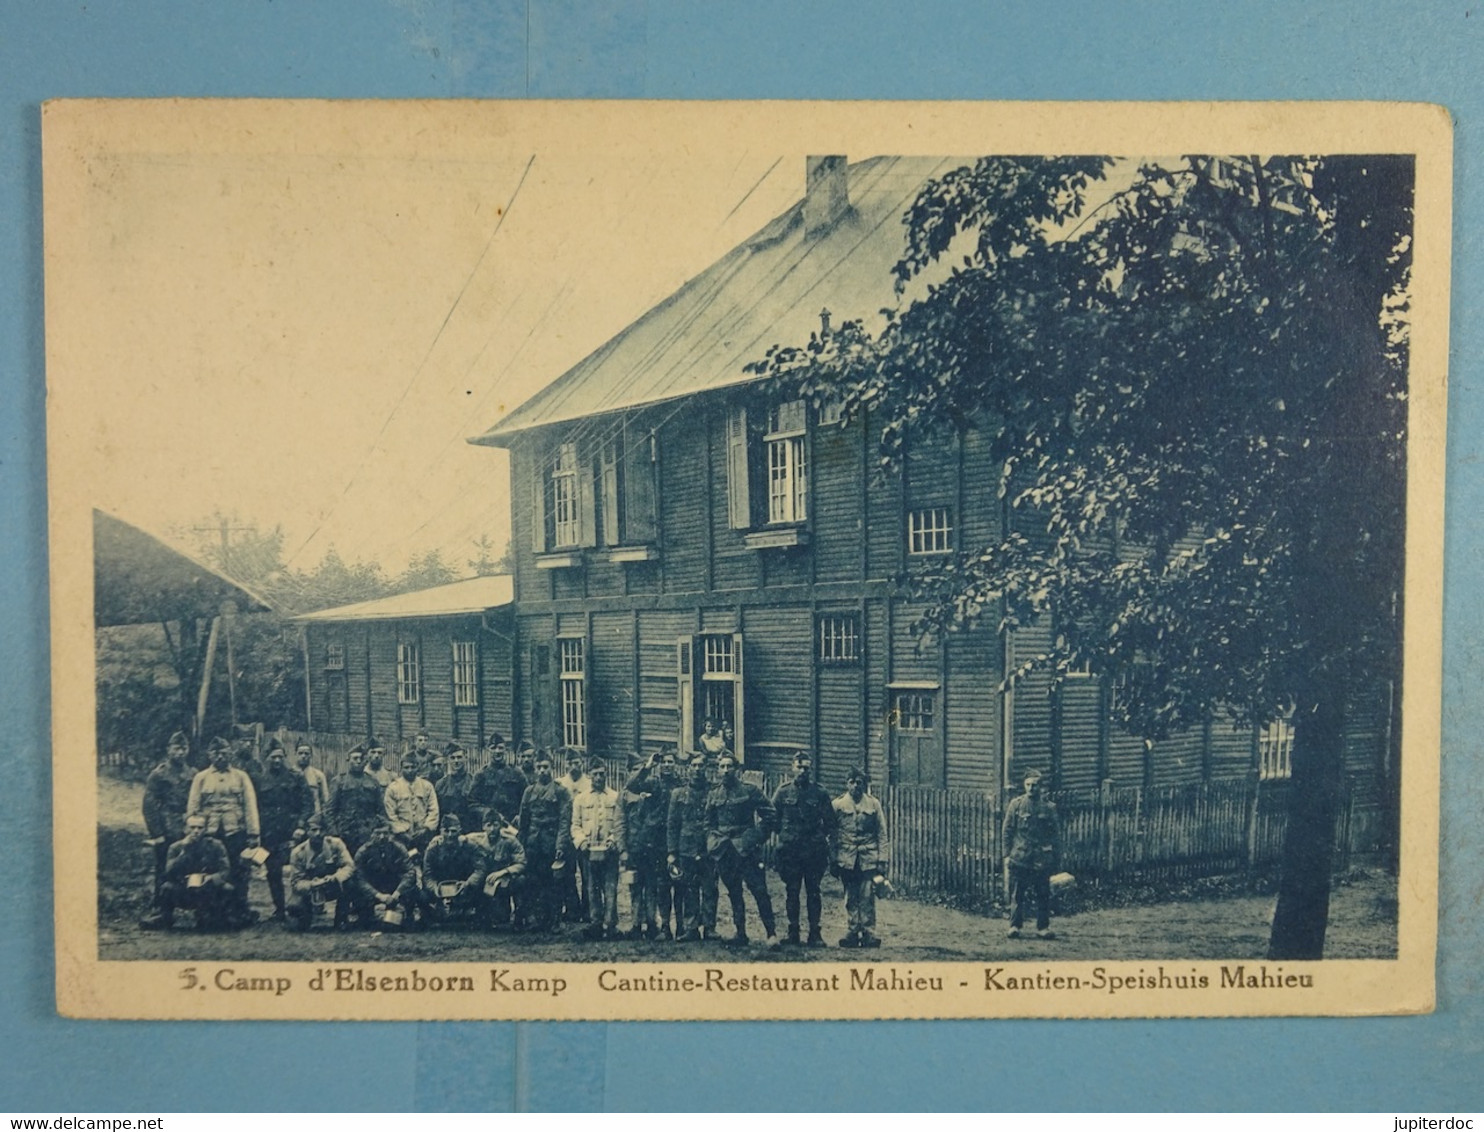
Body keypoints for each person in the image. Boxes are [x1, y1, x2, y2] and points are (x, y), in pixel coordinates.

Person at [704, 752, 779, 948]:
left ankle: (771, 934)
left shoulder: (750, 791)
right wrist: (714, 841)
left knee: (759, 891)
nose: (726, 770)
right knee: (734, 892)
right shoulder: (714, 794)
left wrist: (753, 838)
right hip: (725, 852)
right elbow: (708, 823)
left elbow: (770, 816)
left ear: (737, 769)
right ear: (718, 769)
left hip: (747, 851)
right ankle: (741, 933)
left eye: (729, 766)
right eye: (722, 767)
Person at [186, 736, 261, 926]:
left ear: (230, 754)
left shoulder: (241, 776)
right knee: (207, 871)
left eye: (224, 753)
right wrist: (193, 831)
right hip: (209, 832)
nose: (220, 757)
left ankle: (238, 911)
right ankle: (207, 911)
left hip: (235, 832)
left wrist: (253, 834)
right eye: (216, 753)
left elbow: (250, 806)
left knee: (239, 871)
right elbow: (193, 806)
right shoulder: (201, 778)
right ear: (209, 755)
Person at [772, 751, 835, 946]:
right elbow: (773, 819)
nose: (802, 771)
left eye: (806, 767)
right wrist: (786, 835)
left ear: (811, 770)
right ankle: (793, 932)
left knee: (814, 891)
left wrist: (815, 836)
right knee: (792, 891)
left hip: (813, 851)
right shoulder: (782, 792)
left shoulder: (820, 793)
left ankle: (815, 933)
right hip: (790, 852)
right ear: (792, 767)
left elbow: (830, 822)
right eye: (799, 767)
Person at [139, 815, 234, 930]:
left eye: (200, 828)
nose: (196, 831)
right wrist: (184, 851)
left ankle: (215, 917)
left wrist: (211, 878)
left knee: (227, 889)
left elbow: (225, 870)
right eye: (192, 827)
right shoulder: (176, 847)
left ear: (205, 829)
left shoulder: (216, 845)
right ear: (185, 829)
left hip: (208, 889)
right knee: (166, 887)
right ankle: (165, 917)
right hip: (184, 889)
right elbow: (169, 872)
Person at [254, 739, 314, 921]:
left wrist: (301, 826)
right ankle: (279, 909)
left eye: (280, 757)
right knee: (273, 872)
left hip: (292, 832)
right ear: (266, 758)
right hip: (269, 834)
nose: (277, 761)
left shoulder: (295, 777)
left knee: (301, 871)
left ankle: (303, 907)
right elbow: (255, 807)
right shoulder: (260, 780)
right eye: (273, 757)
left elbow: (307, 804)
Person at [832, 767, 890, 948]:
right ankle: (851, 931)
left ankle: (868, 933)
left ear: (864, 785)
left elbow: (882, 833)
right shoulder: (838, 805)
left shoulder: (873, 804)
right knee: (850, 896)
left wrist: (882, 859)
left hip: (868, 857)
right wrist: (833, 859)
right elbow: (832, 835)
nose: (856, 786)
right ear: (846, 783)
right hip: (847, 857)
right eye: (852, 782)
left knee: (867, 896)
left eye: (859, 783)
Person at [622, 750, 677, 940]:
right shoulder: (653, 783)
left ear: (675, 765)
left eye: (671, 762)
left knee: (677, 886)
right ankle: (664, 927)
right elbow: (631, 785)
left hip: (673, 842)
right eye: (664, 762)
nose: (667, 765)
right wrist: (648, 766)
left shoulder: (681, 785)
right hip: (653, 843)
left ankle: (683, 927)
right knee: (658, 886)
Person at [1002, 771, 1061, 940]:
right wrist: (1007, 854)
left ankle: (1042, 927)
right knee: (1017, 894)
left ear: (1040, 786)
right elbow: (1007, 831)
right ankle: (1014, 926)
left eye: (1034, 785)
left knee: (1043, 894)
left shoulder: (1049, 807)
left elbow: (1055, 835)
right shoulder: (1016, 805)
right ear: (1024, 785)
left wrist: (1056, 858)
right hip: (1020, 857)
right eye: (1028, 784)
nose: (1031, 788)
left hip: (1041, 859)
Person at [517, 755, 572, 932]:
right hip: (533, 844)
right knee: (533, 882)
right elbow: (523, 821)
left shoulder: (560, 791)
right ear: (535, 768)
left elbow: (565, 820)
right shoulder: (529, 791)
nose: (542, 770)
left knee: (554, 883)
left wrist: (560, 845)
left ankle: (555, 920)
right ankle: (537, 919)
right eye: (539, 767)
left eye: (546, 767)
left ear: (552, 768)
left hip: (552, 843)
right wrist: (521, 845)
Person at [570, 763, 625, 940]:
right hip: (588, 851)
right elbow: (575, 825)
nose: (599, 778)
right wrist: (581, 841)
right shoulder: (581, 799)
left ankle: (610, 925)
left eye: (602, 774)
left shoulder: (615, 797)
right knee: (591, 887)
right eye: (595, 774)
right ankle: (595, 923)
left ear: (606, 775)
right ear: (590, 775)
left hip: (609, 852)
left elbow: (619, 825)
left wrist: (612, 840)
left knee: (610, 887)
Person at [141, 730, 195, 905]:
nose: (180, 752)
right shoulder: (159, 774)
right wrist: (156, 833)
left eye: (184, 748)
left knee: (190, 864)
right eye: (177, 748)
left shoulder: (194, 773)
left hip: (189, 825)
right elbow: (148, 805)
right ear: (168, 750)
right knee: (164, 865)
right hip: (167, 824)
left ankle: (190, 903)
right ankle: (161, 906)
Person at [667, 755, 717, 941]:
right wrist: (672, 852)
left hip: (708, 848)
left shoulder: (713, 791)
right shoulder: (678, 794)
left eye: (700, 765)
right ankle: (691, 927)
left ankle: (710, 928)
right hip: (686, 848)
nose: (697, 769)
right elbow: (672, 824)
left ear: (706, 768)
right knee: (689, 889)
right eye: (694, 765)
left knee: (710, 888)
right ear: (688, 768)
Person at [345, 816, 419, 930]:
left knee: (414, 891)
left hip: (394, 889)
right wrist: (378, 895)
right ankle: (365, 917)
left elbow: (410, 872)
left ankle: (406, 916)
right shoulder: (363, 852)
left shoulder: (399, 848)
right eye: (377, 833)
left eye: (385, 833)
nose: (382, 837)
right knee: (353, 888)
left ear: (390, 834)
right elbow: (359, 879)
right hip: (373, 890)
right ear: (371, 835)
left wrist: (397, 893)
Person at [285, 815, 356, 931]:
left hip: (331, 886)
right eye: (314, 830)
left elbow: (349, 866)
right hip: (310, 890)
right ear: (307, 832)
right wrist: (311, 884)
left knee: (350, 883)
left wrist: (335, 877)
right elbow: (296, 882)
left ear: (326, 831)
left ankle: (341, 920)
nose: (318, 833)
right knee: (295, 911)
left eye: (322, 830)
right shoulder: (298, 852)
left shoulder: (336, 844)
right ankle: (305, 919)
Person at [420, 814, 486, 926]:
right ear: (440, 831)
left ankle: (469, 912)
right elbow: (427, 874)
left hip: (464, 887)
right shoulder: (433, 849)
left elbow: (480, 869)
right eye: (446, 831)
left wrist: (468, 883)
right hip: (441, 889)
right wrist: (434, 888)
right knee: (422, 895)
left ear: (460, 830)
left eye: (453, 831)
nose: (450, 835)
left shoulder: (470, 846)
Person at [468, 808, 526, 927]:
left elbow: (522, 863)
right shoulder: (476, 839)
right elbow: (459, 838)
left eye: (495, 825)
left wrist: (503, 872)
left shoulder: (510, 840)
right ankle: (481, 914)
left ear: (500, 825)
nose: (492, 829)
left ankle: (519, 916)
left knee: (521, 880)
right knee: (498, 918)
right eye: (488, 825)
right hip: (485, 881)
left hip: (504, 881)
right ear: (483, 826)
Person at [327, 745, 384, 857]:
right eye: (355, 758)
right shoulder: (339, 781)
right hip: (345, 833)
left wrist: (381, 830)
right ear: (348, 760)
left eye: (361, 759)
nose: (358, 761)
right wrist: (334, 833)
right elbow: (329, 810)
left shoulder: (372, 782)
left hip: (368, 833)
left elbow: (381, 810)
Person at [385, 751, 440, 854]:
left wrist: (426, 828)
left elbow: (434, 810)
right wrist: (401, 832)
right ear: (401, 768)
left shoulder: (427, 786)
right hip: (401, 838)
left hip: (423, 836)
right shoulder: (393, 788)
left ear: (417, 767)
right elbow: (390, 814)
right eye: (406, 767)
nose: (410, 770)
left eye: (413, 767)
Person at [557, 752, 591, 922]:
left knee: (587, 873)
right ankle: (572, 908)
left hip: (584, 834)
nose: (574, 767)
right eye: (570, 763)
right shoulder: (560, 784)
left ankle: (587, 909)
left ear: (582, 763)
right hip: (566, 835)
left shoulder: (589, 784)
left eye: (577, 762)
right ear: (565, 764)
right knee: (568, 873)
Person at [470, 736, 528, 831]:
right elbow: (472, 803)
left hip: (513, 824)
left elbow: (527, 798)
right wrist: (488, 813)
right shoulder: (481, 775)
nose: (497, 751)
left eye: (500, 748)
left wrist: (520, 815)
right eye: (493, 748)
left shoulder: (517, 773)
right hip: (490, 826)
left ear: (506, 749)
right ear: (487, 750)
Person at [436, 744, 478, 832]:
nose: (456, 761)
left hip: (469, 829)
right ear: (448, 760)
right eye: (452, 758)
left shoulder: (474, 782)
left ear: (465, 758)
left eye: (459, 757)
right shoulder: (441, 784)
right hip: (448, 831)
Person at [296, 740, 330, 818]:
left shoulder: (319, 775)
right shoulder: (290, 774)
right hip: (295, 818)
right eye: (300, 753)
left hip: (314, 817)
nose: (303, 756)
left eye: (306, 753)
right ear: (295, 754)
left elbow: (326, 799)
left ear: (311, 755)